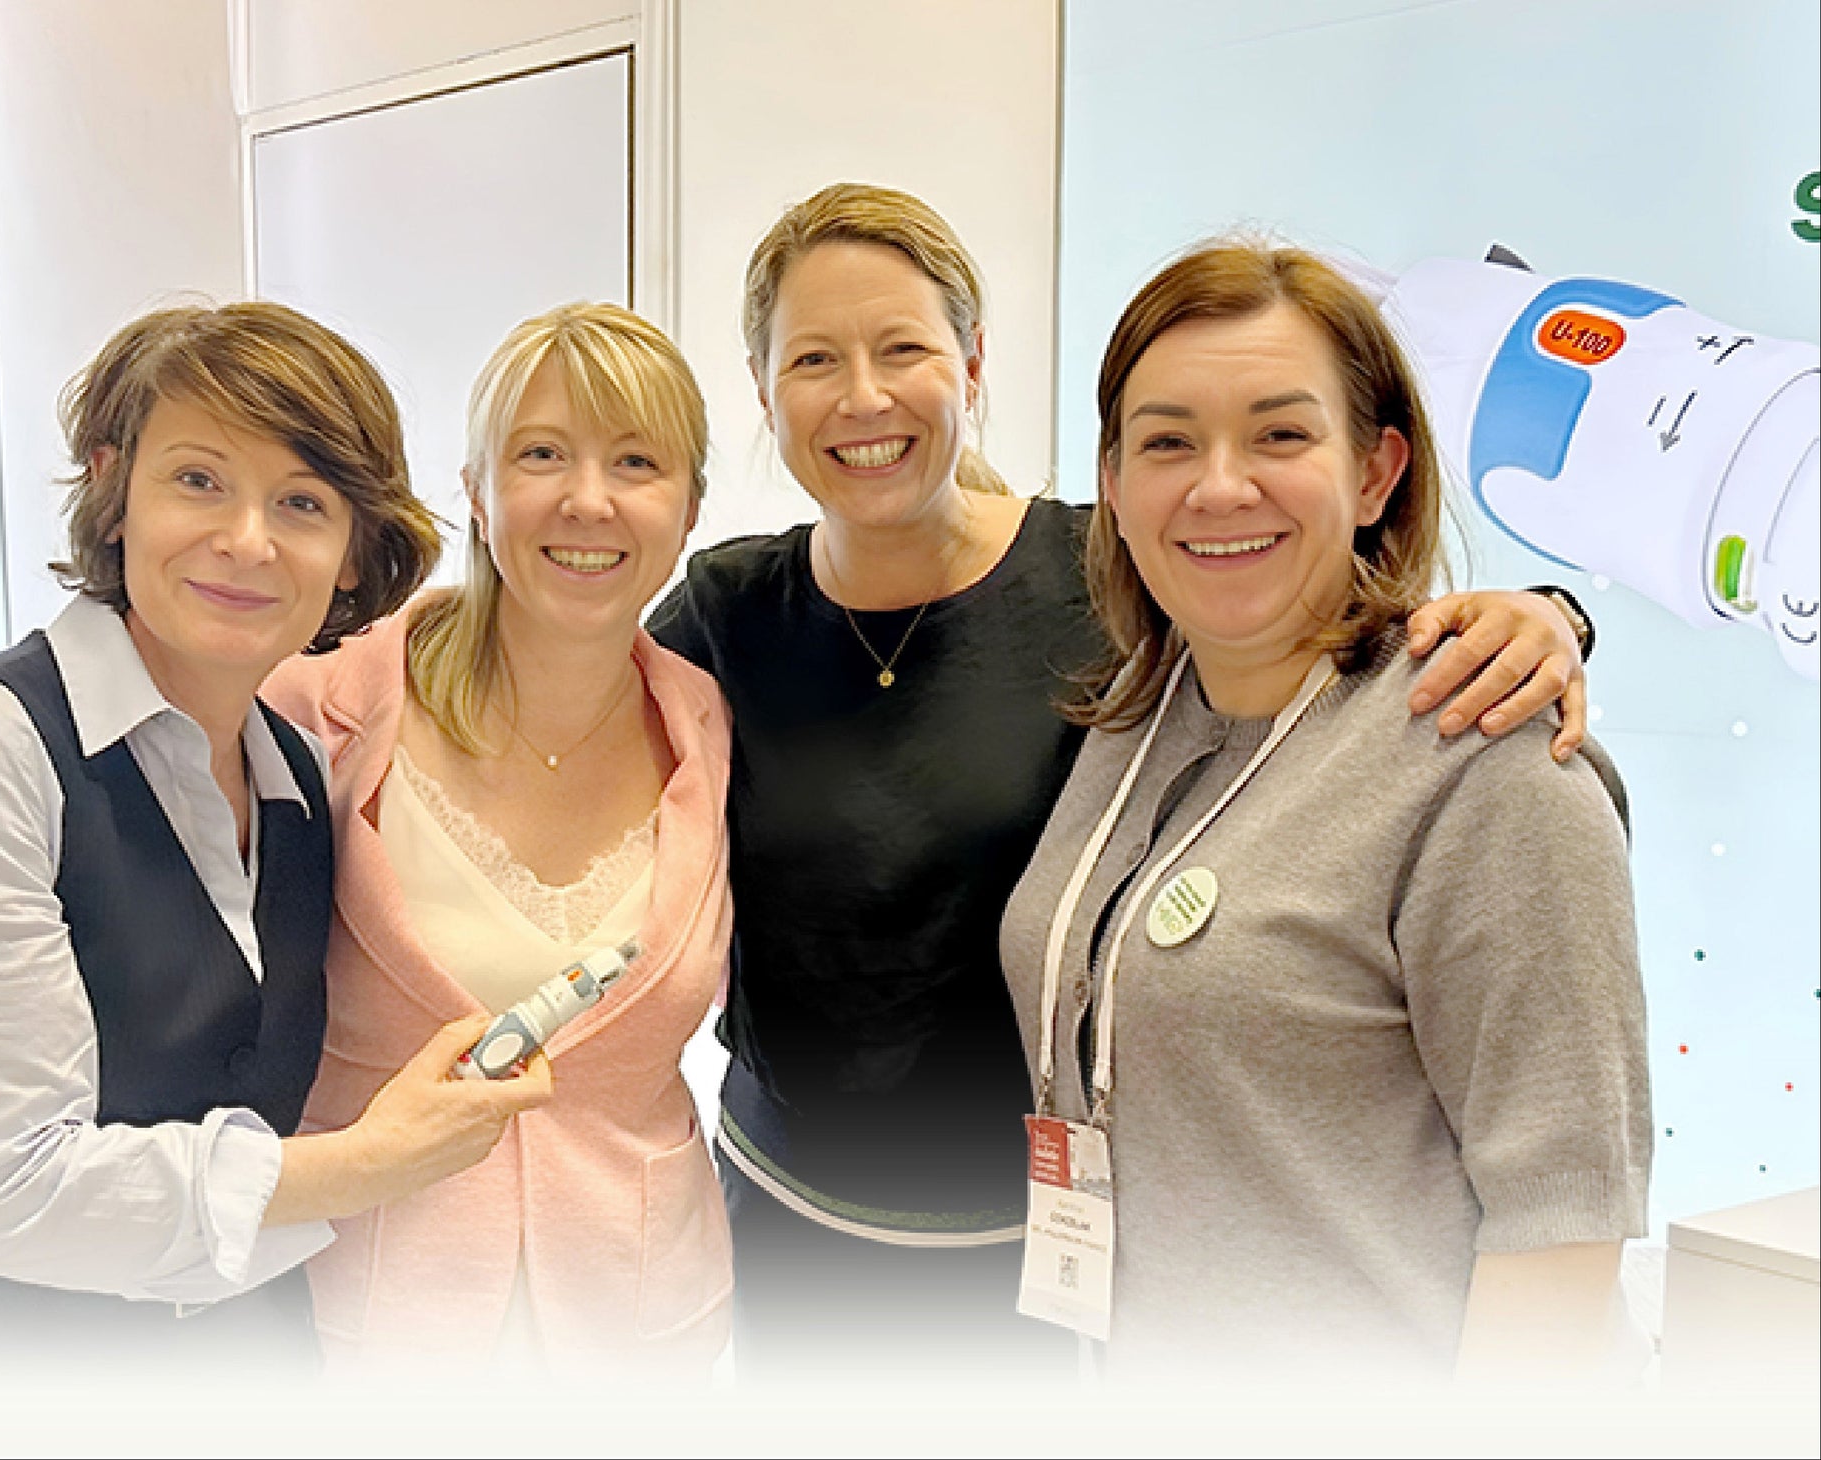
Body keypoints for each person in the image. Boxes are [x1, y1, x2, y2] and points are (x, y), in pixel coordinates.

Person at [644, 183, 1597, 1378]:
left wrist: (1543, 617)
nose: (863, 395)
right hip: (794, 1229)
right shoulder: (719, 615)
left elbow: (1315, 635)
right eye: (813, 358)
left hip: (1065, 1259)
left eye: (903, 348)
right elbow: (545, 718)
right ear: (762, 387)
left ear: (972, 361)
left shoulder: (1111, 582)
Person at [0, 301, 552, 1380]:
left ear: (353, 555)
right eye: (199, 480)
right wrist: (371, 1162)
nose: (247, 540)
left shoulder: (297, 774)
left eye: (302, 502)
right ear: (115, 491)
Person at [999, 238, 1648, 1381]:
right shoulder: (1135, 714)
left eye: (1280, 434)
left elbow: (1560, 1227)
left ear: (1375, 472)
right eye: (1166, 442)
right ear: (1114, 484)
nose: (1218, 485)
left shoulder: (1486, 759)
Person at [261, 303, 733, 1377]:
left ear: (689, 509)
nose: (588, 499)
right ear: (476, 489)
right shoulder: (315, 706)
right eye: (541, 454)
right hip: (376, 1323)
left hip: (643, 1331)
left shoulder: (711, 726)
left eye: (636, 461)